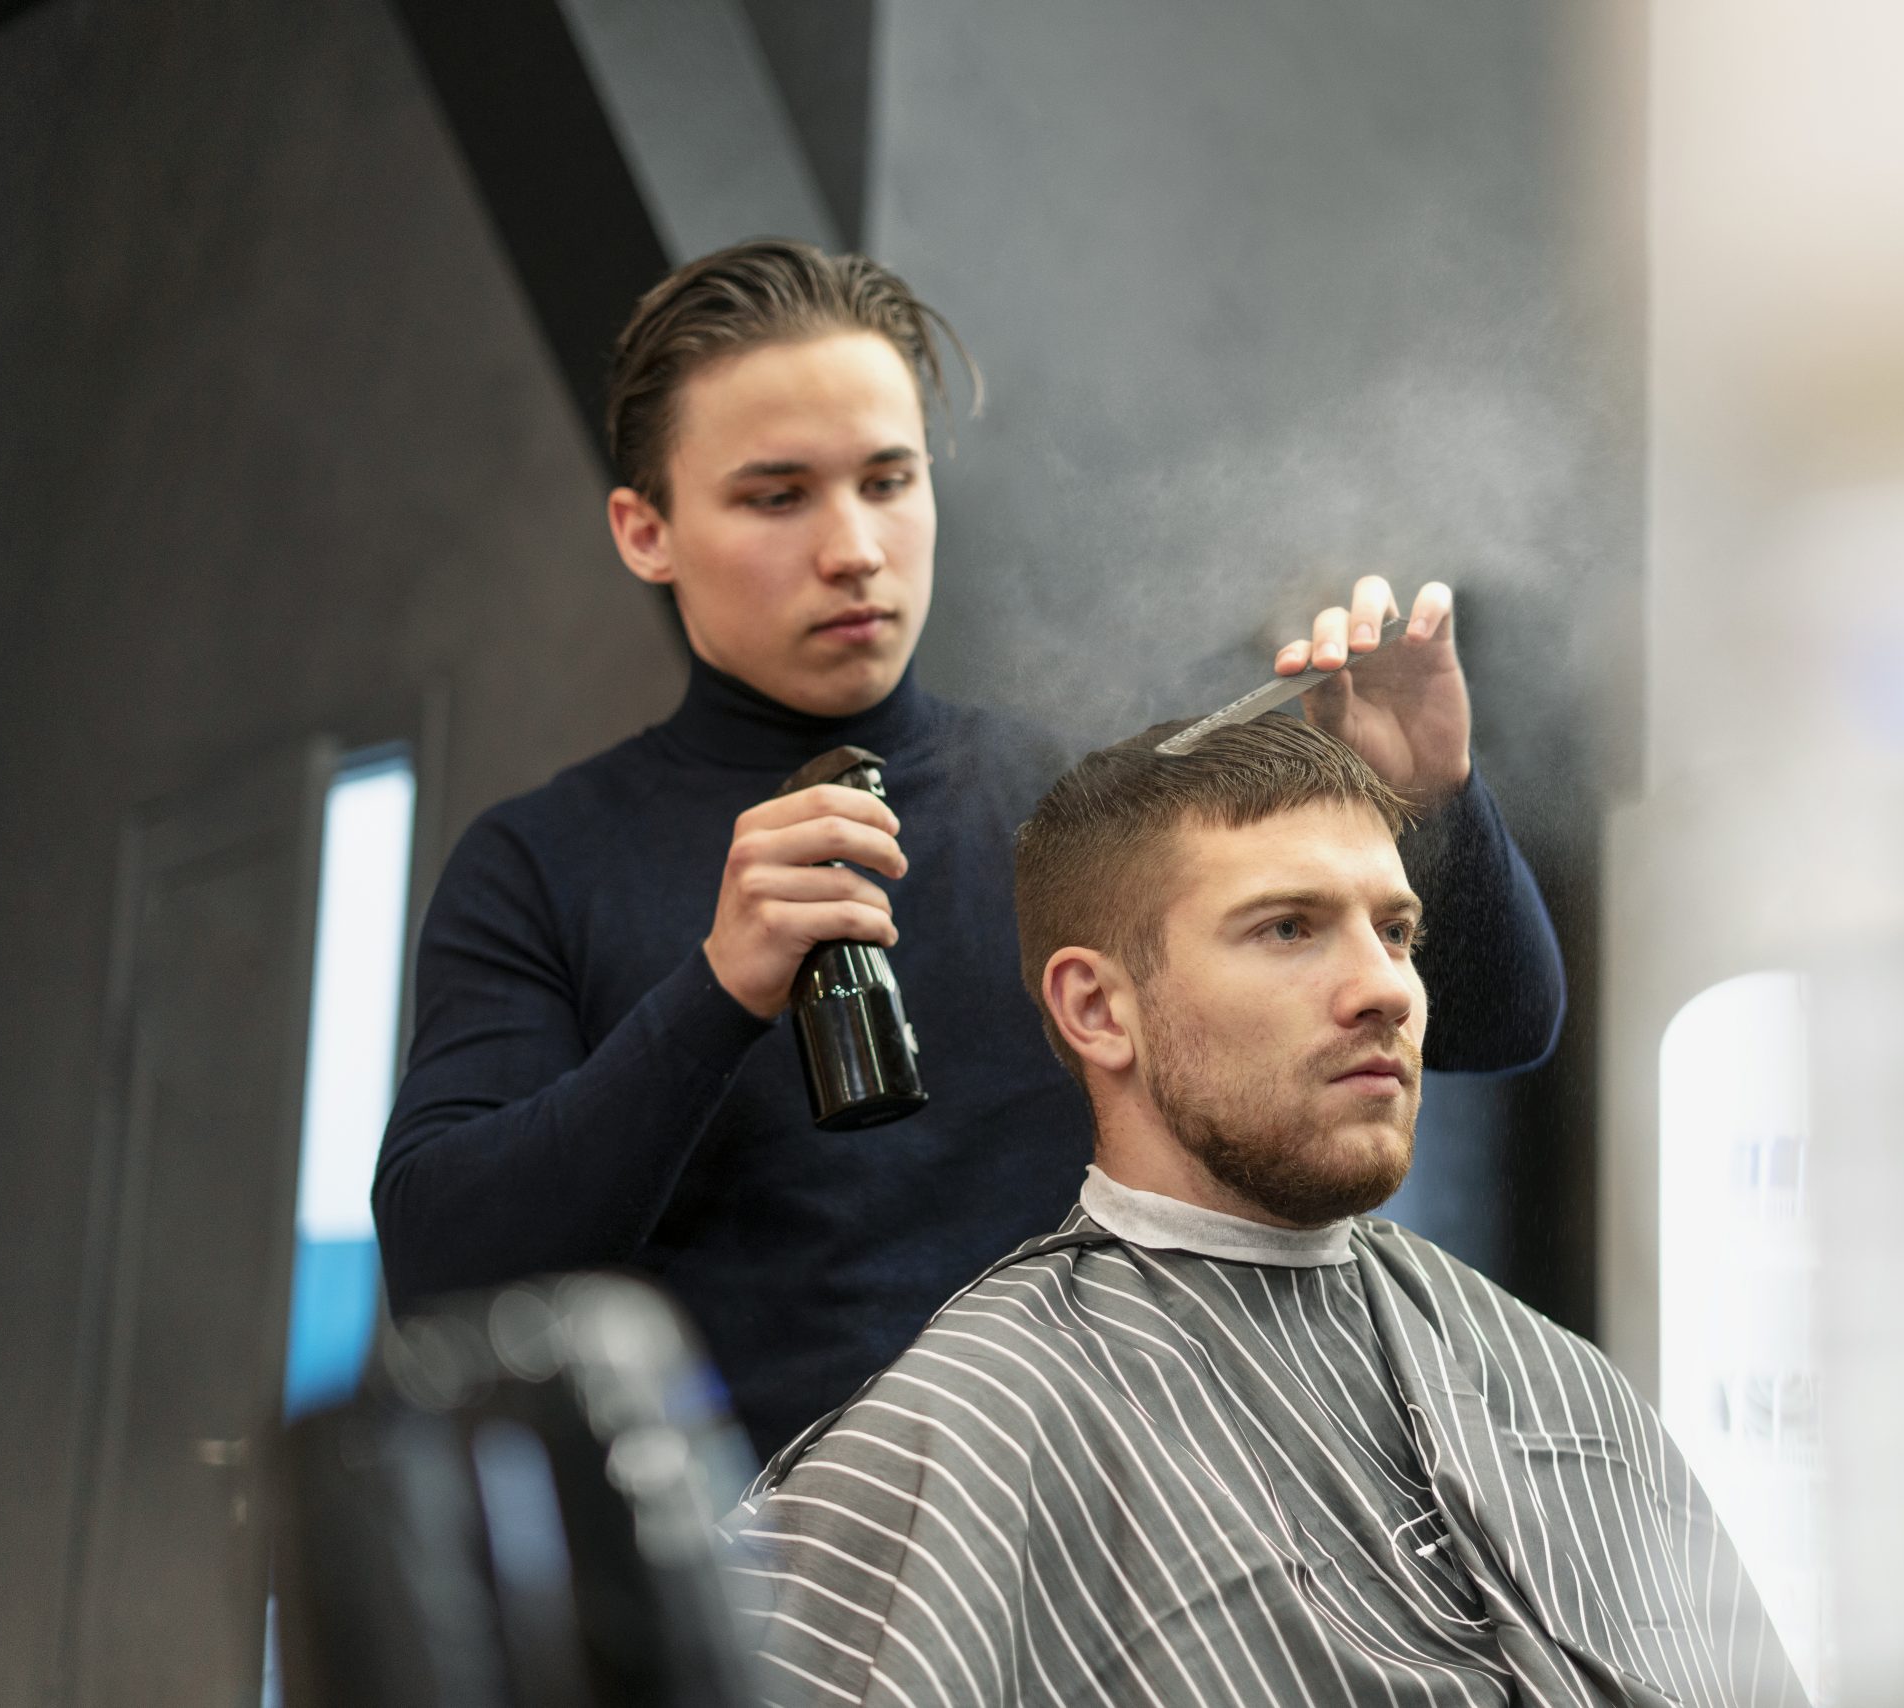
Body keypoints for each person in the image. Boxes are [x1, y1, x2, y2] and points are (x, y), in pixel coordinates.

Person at [373, 240, 1566, 1459]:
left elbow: (1492, 1026)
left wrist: (1431, 800)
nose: (854, 546)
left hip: (1099, 1522)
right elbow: (438, 1264)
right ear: (646, 531)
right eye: (777, 497)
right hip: (746, 1558)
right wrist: (716, 993)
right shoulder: (542, 864)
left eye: (888, 480)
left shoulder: (1079, 808)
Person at [725, 717, 1805, 1708]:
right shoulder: (981, 1423)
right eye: (1289, 927)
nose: (1386, 988)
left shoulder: (1545, 1374)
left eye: (1396, 931)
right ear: (1099, 1008)